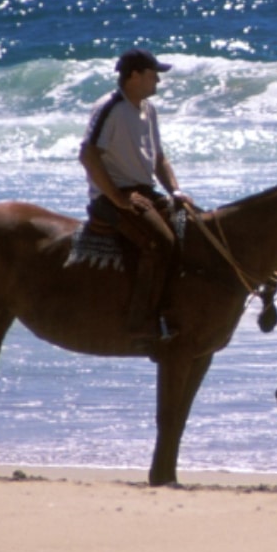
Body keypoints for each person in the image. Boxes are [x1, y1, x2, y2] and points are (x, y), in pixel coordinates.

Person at [79, 48, 193, 347]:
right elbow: (88, 155)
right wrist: (116, 198)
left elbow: (159, 159)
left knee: (191, 230)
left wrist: (176, 192)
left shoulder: (148, 109)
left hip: (145, 191)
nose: (157, 80)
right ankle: (142, 321)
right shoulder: (111, 107)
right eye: (153, 74)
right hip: (115, 195)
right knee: (160, 243)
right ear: (134, 75)